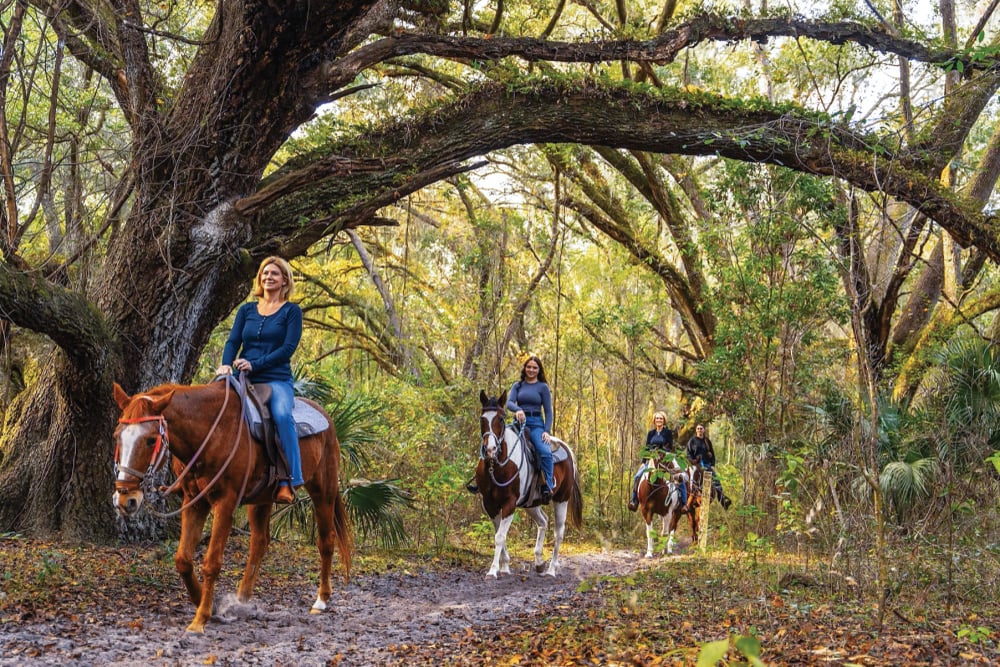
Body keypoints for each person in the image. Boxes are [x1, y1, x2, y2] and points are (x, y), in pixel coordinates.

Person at [216, 256, 303, 505]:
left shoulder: (291, 312)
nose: (268, 277)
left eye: (274, 274)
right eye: (264, 273)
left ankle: (288, 479)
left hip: (276, 380)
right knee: (213, 408)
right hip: (243, 377)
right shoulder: (246, 310)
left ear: (284, 280)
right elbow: (233, 341)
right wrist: (226, 363)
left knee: (282, 416)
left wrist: (256, 363)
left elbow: (287, 348)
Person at [506, 355, 555, 503]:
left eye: (535, 367)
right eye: (529, 367)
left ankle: (547, 485)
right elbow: (509, 403)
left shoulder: (543, 387)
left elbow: (548, 412)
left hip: (535, 425)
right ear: (524, 368)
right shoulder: (518, 386)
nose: (531, 370)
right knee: (494, 441)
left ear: (539, 370)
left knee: (545, 452)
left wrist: (546, 430)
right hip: (518, 423)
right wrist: (518, 409)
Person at [627, 412, 686, 511]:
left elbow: (670, 447)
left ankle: (683, 503)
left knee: (680, 476)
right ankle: (634, 501)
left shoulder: (667, 433)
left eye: (661, 419)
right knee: (637, 476)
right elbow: (647, 447)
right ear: (654, 421)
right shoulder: (651, 433)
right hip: (651, 459)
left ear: (664, 420)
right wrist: (643, 462)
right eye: (657, 419)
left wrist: (661, 450)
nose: (659, 420)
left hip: (665, 458)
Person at [686, 423, 731, 509]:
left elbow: (712, 454)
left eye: (701, 428)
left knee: (716, 480)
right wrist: (693, 461)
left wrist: (713, 465)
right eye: (698, 428)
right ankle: (686, 501)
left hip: (706, 464)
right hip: (695, 464)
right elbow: (688, 453)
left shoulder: (707, 441)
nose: (699, 430)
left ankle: (722, 500)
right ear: (696, 430)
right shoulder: (692, 441)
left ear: (704, 430)